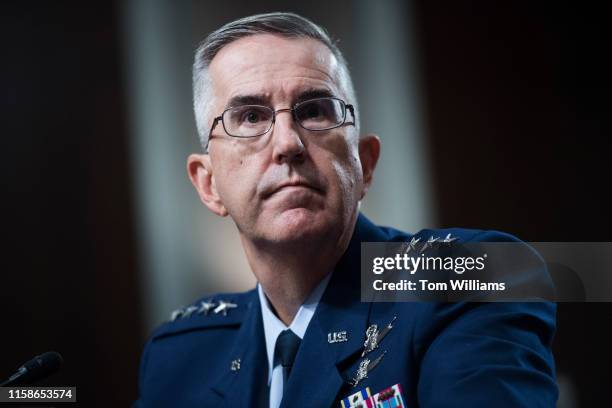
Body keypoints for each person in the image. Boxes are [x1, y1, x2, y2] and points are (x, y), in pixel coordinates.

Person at [134, 12, 557, 408]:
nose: (287, 144)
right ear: (208, 185)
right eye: (249, 116)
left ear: (365, 165)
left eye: (315, 110)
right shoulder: (180, 357)